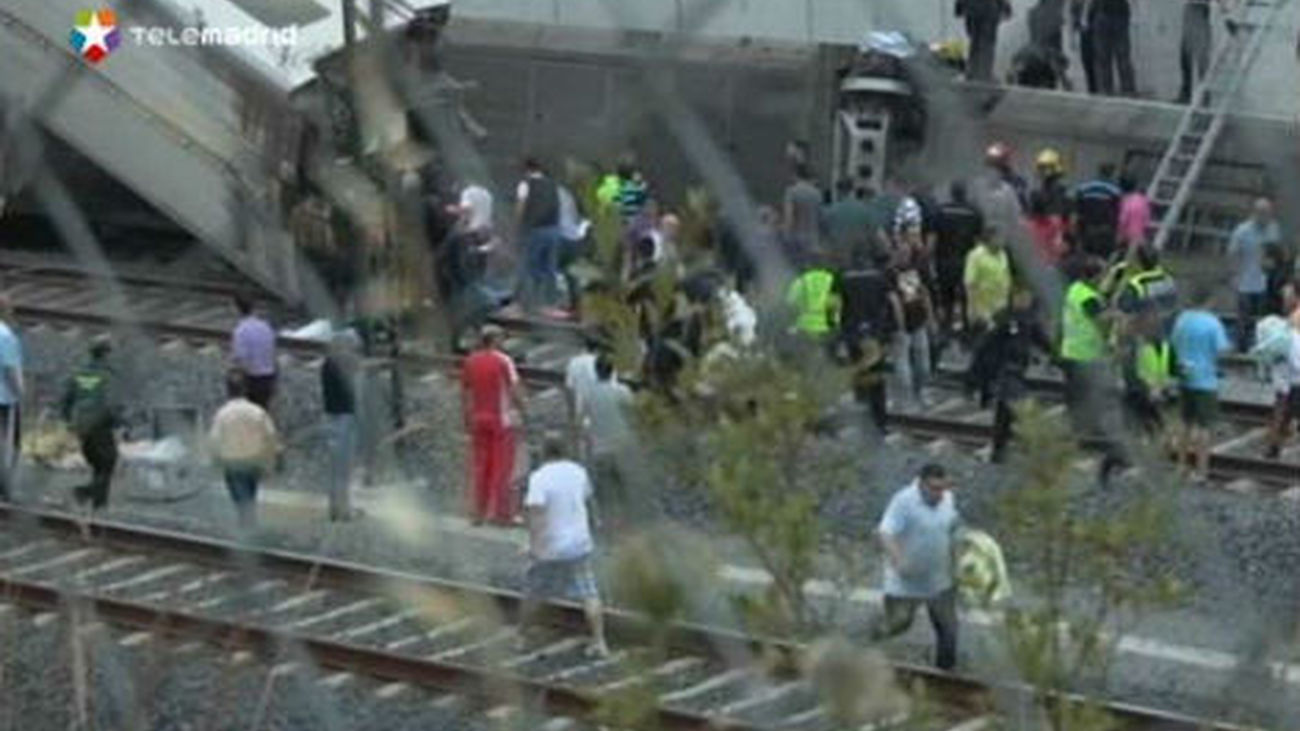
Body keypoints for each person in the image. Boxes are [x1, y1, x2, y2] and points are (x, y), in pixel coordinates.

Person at [521, 433, 609, 658]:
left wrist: (534, 546)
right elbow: (589, 501)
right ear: (566, 450)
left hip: (551, 546)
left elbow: (536, 514)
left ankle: (523, 635)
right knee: (589, 593)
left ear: (543, 452)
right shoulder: (578, 472)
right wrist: (596, 526)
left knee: (534, 592)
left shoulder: (539, 477)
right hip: (580, 543)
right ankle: (599, 642)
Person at [873, 463, 960, 671]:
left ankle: (944, 675)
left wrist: (958, 561)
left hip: (939, 579)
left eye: (943, 488)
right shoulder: (903, 501)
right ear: (921, 484)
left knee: (949, 629)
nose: (940, 494)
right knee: (898, 623)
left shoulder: (947, 498)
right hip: (906, 581)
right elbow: (885, 533)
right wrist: (898, 560)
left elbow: (952, 528)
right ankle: (863, 650)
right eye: (934, 489)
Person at [970, 287, 1052, 462]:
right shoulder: (1003, 318)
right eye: (1021, 297)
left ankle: (999, 450)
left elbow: (1042, 340)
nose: (1024, 301)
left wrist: (1058, 356)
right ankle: (1034, 449)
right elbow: (985, 345)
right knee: (1020, 406)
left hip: (1017, 370)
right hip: (1004, 370)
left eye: (1027, 298)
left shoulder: (1029, 320)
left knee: (1004, 414)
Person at [461, 325, 527, 525]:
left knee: (481, 467)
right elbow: (514, 390)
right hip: (500, 420)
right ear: (495, 340)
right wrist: (524, 411)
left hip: (478, 418)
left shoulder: (470, 361)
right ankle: (501, 513)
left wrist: (466, 418)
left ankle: (477, 513)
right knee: (502, 467)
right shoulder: (503, 360)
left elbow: (465, 392)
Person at [1170, 285, 1231, 482]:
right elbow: (1222, 350)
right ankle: (1201, 470)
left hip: (1184, 376)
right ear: (1209, 300)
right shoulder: (1212, 323)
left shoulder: (1182, 319)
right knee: (1205, 426)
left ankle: (1181, 466)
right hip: (1205, 380)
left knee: (1184, 423)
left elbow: (1173, 343)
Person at [210, 373, 280, 531]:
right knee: (250, 492)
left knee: (239, 495)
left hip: (232, 461)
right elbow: (270, 434)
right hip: (253, 459)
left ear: (227, 391)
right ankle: (249, 521)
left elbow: (215, 438)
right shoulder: (257, 411)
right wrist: (271, 459)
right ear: (245, 390)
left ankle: (246, 524)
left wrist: (215, 458)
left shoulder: (223, 413)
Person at [60, 336, 121, 510]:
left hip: (81, 425)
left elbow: (65, 400)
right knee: (109, 462)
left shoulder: (78, 372)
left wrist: (67, 421)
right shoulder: (108, 375)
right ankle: (83, 493)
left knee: (98, 464)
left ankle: (99, 506)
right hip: (100, 424)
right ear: (106, 353)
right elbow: (112, 403)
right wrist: (119, 423)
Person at [582, 356, 636, 523]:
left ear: (595, 371)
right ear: (613, 371)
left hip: (599, 445)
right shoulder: (622, 391)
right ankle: (628, 517)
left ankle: (605, 519)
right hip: (622, 442)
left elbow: (584, 417)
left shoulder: (588, 393)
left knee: (602, 486)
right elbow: (632, 415)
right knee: (623, 482)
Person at [1228, 198, 1281, 352]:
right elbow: (1232, 254)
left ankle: (1260, 347)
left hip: (1265, 281)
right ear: (1256, 213)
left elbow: (1276, 252)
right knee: (1243, 317)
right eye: (1264, 213)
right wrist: (1233, 275)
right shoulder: (1242, 231)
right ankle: (1241, 348)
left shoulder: (1273, 229)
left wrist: (1273, 262)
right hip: (1245, 281)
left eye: (1269, 213)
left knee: (1263, 319)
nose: (1267, 217)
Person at [933, 182, 984, 335]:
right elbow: (978, 240)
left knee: (946, 296)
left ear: (952, 193)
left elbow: (934, 237)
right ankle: (968, 330)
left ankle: (945, 329)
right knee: (966, 297)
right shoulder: (974, 212)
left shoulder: (941, 211)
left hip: (944, 260)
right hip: (966, 260)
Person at [893, 233, 936, 409]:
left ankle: (921, 391)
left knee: (922, 361)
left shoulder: (917, 270)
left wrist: (930, 317)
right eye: (901, 253)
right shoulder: (890, 273)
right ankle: (906, 397)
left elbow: (925, 294)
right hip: (900, 325)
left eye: (907, 253)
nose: (905, 256)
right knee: (902, 362)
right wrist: (899, 323)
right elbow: (892, 300)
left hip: (918, 320)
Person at [321, 330, 360, 521]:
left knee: (334, 466)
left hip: (329, 417)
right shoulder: (344, 363)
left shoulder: (326, 364)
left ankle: (334, 507)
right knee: (344, 466)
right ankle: (343, 509)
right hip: (344, 417)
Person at [516, 157, 563, 311]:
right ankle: (550, 303)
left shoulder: (526, 184)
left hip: (534, 229)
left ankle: (528, 303)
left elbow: (521, 207)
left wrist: (518, 226)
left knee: (529, 266)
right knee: (550, 267)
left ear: (527, 170)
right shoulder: (553, 185)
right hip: (553, 229)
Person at [230, 294, 277, 410]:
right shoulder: (266, 326)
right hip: (268, 376)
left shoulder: (240, 331)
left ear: (236, 309)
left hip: (252, 380)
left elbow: (242, 360)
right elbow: (272, 351)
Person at [963, 228, 1012, 337]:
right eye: (1000, 238)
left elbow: (1006, 277)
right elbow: (970, 283)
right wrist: (973, 311)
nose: (1003, 241)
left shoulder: (1003, 255)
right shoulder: (975, 256)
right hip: (983, 310)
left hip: (1001, 307)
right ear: (991, 239)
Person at [1072, 163, 1123, 261]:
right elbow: (1117, 212)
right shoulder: (1115, 190)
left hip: (1086, 228)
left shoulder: (1084, 187)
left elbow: (1077, 208)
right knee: (1103, 259)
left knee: (1086, 257)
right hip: (1105, 230)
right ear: (1110, 174)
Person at [957, 0, 1013, 83]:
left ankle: (972, 72)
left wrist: (960, 6)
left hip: (972, 8)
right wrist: (1006, 7)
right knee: (987, 43)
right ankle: (985, 73)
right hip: (988, 9)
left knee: (975, 42)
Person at [786, 255, 839, 341]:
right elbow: (836, 302)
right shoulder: (831, 279)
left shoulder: (801, 281)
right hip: (828, 326)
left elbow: (790, 302)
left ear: (808, 265)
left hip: (805, 326)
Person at [822, 178, 875, 262]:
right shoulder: (865, 209)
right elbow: (871, 232)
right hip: (859, 255)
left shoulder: (830, 210)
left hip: (837, 256)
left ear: (838, 191)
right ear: (852, 190)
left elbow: (825, 233)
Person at [0, 297, 22, 500]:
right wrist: (19, 391)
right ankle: (4, 488)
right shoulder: (6, 336)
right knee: (8, 444)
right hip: (4, 399)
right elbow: (9, 369)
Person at [1178, 0, 1220, 104]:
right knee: (1186, 55)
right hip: (1192, 7)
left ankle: (1203, 95)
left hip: (1199, 8)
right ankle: (1187, 93)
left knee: (1200, 56)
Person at [1090, 0, 1136, 96]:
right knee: (1122, 58)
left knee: (1103, 58)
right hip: (1119, 12)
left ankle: (1106, 92)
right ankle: (1128, 91)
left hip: (1103, 12)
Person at [783, 164, 823, 263]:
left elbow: (789, 217)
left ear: (796, 174)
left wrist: (786, 236)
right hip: (814, 240)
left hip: (797, 240)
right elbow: (820, 217)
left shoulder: (791, 192)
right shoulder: (817, 193)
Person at [1025, 191, 1067, 267]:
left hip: (1051, 265)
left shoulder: (1055, 222)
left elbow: (1059, 244)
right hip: (1041, 266)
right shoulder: (1027, 226)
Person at [1116, 172, 1151, 251]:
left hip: (1125, 233)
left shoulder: (1124, 200)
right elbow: (1146, 218)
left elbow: (1122, 218)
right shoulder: (1143, 199)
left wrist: (1118, 231)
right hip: (1139, 234)